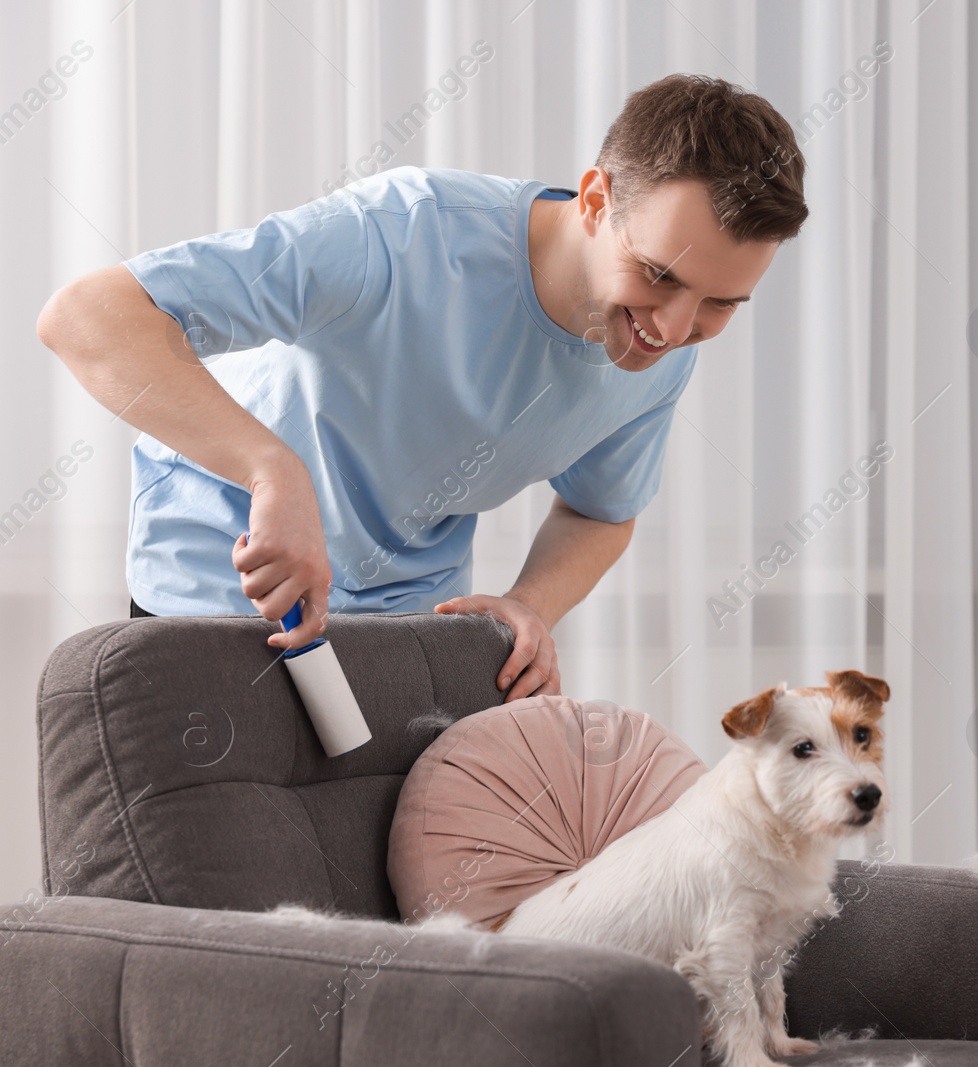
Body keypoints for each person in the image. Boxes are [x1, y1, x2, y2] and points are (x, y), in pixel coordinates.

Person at [36, 73, 806, 702]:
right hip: (217, 584)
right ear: (598, 200)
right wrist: (272, 470)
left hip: (403, 627)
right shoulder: (401, 232)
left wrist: (531, 606)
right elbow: (87, 318)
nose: (673, 327)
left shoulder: (660, 349)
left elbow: (602, 510)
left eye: (718, 304)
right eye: (659, 275)